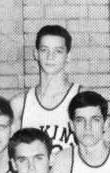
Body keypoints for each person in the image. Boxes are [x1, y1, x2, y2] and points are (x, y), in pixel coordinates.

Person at [11, 25, 79, 154]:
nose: (50, 57)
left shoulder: (81, 97)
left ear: (68, 56)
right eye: (44, 50)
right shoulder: (19, 104)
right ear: (36, 54)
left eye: (58, 51)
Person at [51, 91, 110, 173]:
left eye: (95, 120)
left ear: (106, 123)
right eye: (80, 120)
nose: (87, 127)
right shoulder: (62, 160)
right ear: (72, 126)